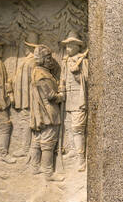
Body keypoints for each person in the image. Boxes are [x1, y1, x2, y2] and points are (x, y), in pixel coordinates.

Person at [30, 45, 65, 180]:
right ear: (42, 59)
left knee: (38, 140)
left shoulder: (40, 72)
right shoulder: (41, 75)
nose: (51, 60)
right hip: (48, 112)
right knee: (47, 143)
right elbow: (51, 95)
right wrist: (61, 95)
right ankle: (48, 173)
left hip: (41, 112)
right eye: (48, 58)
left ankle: (34, 167)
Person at [59, 34, 89, 171]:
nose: (68, 48)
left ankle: (81, 159)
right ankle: (73, 149)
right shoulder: (65, 61)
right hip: (68, 99)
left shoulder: (83, 61)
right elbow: (63, 78)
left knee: (78, 128)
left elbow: (88, 81)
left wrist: (77, 74)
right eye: (66, 45)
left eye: (71, 45)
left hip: (79, 99)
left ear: (78, 46)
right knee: (69, 125)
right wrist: (61, 90)